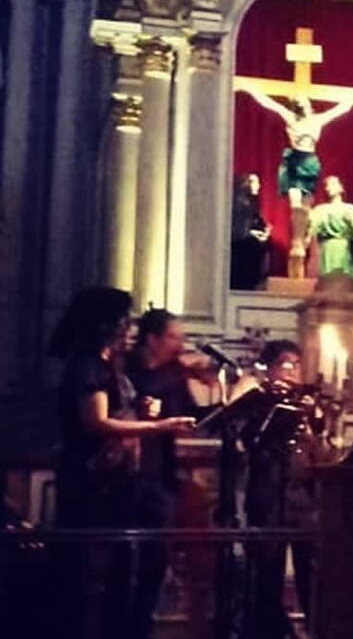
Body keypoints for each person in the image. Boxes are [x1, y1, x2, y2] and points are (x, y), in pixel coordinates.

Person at [50, 287, 195, 639]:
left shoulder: (107, 365)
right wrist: (156, 426)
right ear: (107, 324)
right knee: (87, 575)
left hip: (112, 485)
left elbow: (115, 412)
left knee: (119, 571)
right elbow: (96, 421)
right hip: (91, 484)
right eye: (124, 320)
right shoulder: (88, 366)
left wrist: (139, 412)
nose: (130, 327)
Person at [124, 309, 215, 639]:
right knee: (123, 558)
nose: (182, 344)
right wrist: (185, 372)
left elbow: (191, 414)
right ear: (153, 339)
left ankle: (142, 626)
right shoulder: (127, 367)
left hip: (161, 474)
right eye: (175, 337)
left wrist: (216, 396)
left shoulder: (176, 372)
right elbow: (143, 390)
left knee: (156, 556)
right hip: (126, 474)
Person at [233, 339, 329, 639]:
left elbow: (319, 449)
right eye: (283, 365)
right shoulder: (257, 401)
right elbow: (246, 441)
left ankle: (318, 629)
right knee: (267, 569)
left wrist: (312, 417)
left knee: (311, 569)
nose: (290, 372)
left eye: (296, 365)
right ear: (270, 369)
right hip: (268, 493)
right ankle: (266, 631)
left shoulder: (308, 403)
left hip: (303, 497)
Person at [231, 172, 271, 290]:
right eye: (255, 183)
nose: (258, 186)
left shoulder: (250, 204)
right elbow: (238, 230)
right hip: (242, 251)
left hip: (249, 248)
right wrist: (254, 234)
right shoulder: (240, 204)